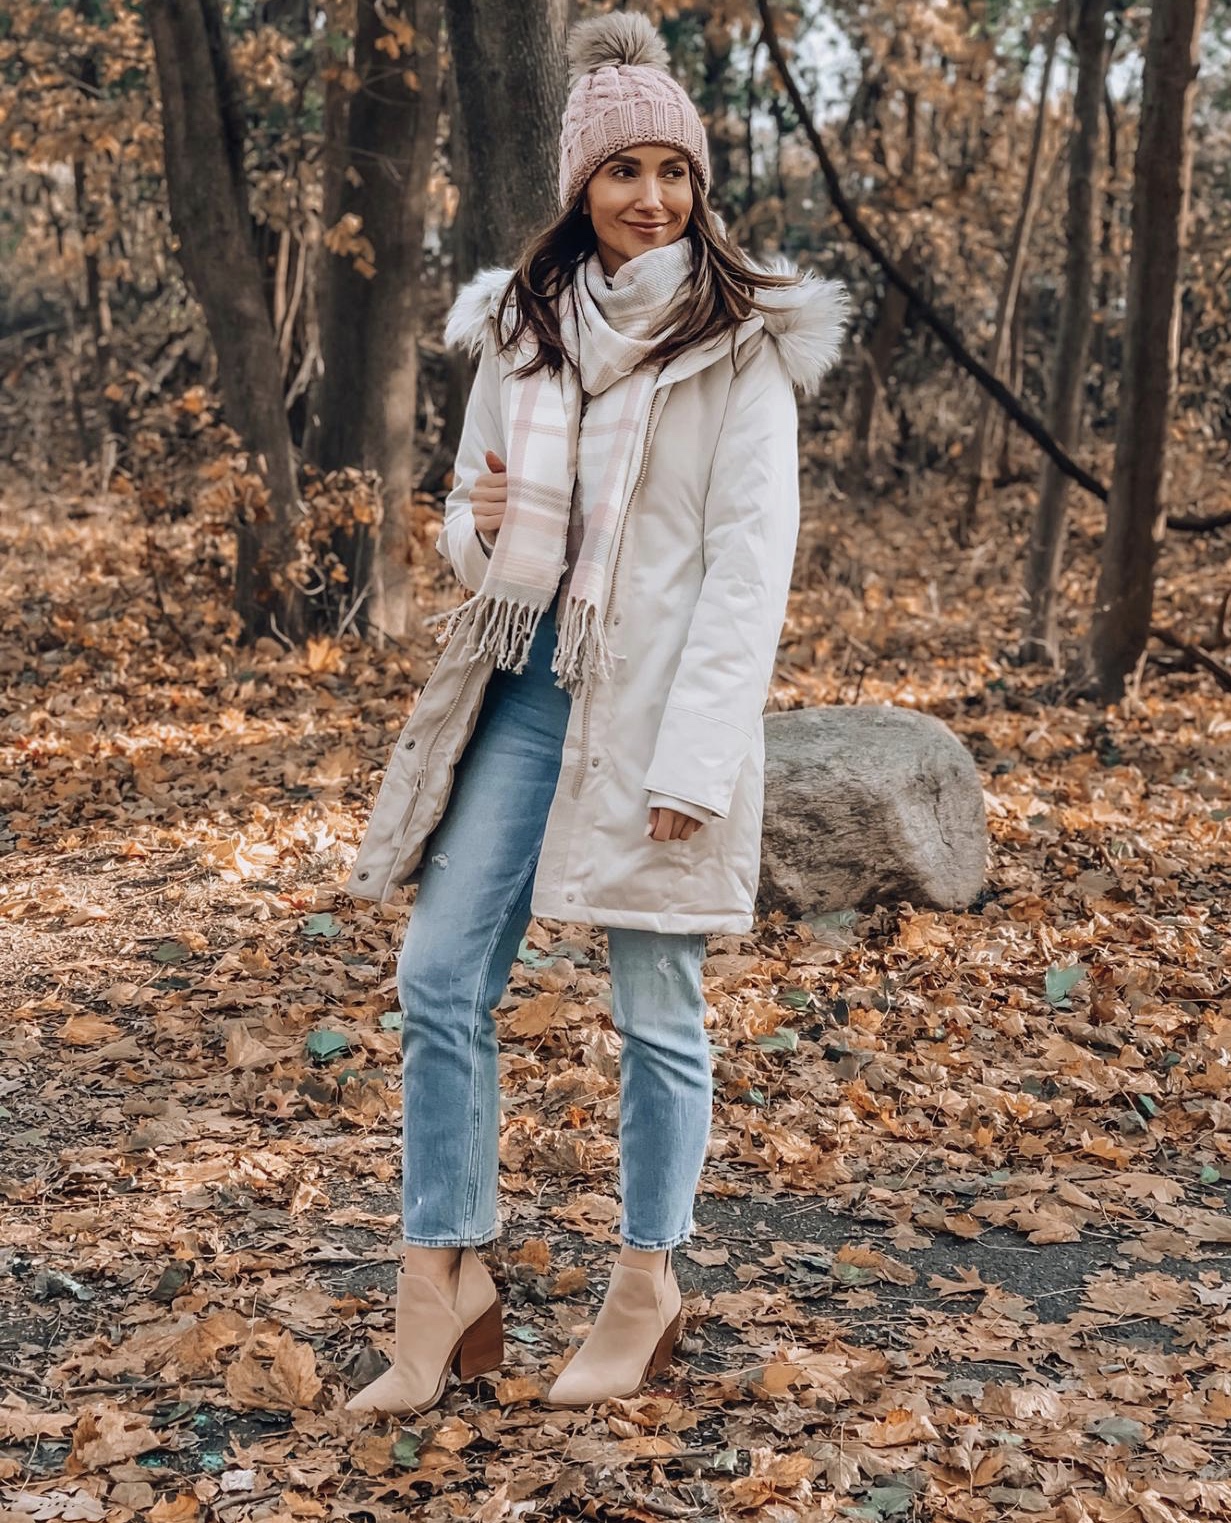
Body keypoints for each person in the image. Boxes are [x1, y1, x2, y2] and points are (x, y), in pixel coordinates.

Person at [343, 12, 847, 1415]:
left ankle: (647, 1282)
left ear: (698, 184)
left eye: (671, 171)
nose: (650, 199)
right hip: (521, 689)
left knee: (655, 1003)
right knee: (440, 978)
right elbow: (474, 521)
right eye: (620, 171)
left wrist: (697, 759)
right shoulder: (522, 325)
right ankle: (443, 1280)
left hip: (654, 708)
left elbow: (752, 574)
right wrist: (475, 526)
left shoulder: (741, 348)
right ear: (580, 187)